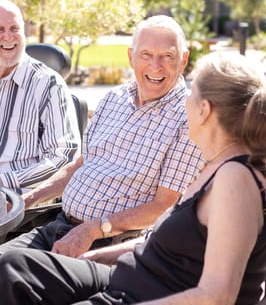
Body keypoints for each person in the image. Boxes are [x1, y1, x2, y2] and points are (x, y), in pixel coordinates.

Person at [0, 51, 265, 305]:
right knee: (14, 267)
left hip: (142, 292)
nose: (186, 101)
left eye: (191, 94)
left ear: (204, 109)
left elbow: (217, 296)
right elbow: (171, 244)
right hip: (132, 274)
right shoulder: (215, 165)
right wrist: (96, 256)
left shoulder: (235, 179)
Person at [0, 14, 202, 256]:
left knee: (9, 270)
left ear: (183, 59)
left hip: (108, 244)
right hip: (58, 224)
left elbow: (165, 205)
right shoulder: (114, 98)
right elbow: (80, 164)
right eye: (146, 55)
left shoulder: (188, 118)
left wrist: (94, 229)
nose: (155, 66)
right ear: (131, 57)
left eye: (167, 56)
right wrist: (25, 201)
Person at [0, 0, 80, 195]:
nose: (8, 37)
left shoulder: (47, 83)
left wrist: (5, 181)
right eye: (0, 29)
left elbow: (63, 156)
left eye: (14, 28)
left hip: (17, 200)